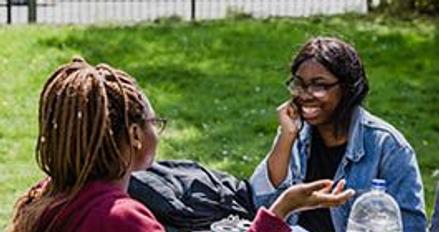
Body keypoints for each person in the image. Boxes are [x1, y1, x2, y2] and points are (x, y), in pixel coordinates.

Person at [7, 57, 354, 232]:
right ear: (134, 135)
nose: (158, 132)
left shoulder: (43, 198)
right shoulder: (122, 219)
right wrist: (279, 212)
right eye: (154, 123)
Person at [250, 37, 427, 232]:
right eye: (299, 84)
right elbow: (260, 208)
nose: (305, 95)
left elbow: (412, 227)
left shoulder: (389, 147)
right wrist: (286, 137)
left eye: (319, 86)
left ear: (347, 88)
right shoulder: (294, 134)